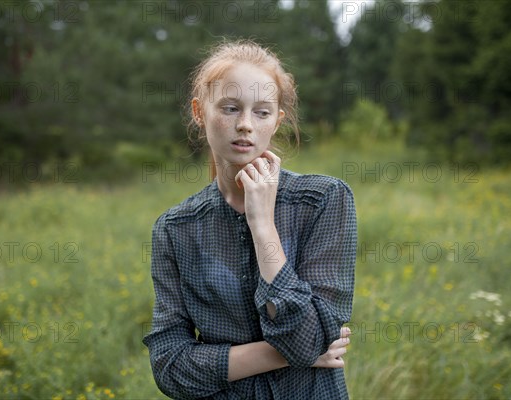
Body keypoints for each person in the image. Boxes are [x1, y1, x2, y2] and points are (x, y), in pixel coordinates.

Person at [142, 39, 357, 400]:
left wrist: (263, 225)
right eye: (230, 108)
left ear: (277, 121)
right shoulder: (176, 229)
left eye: (261, 112)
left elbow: (309, 337)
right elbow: (170, 367)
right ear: (199, 111)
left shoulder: (323, 201)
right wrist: (287, 354)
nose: (245, 125)